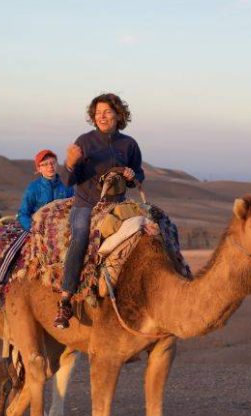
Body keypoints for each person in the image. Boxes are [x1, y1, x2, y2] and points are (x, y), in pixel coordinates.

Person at [54, 92, 145, 328]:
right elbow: (68, 180)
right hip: (86, 204)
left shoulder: (129, 144)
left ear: (118, 115)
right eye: (97, 113)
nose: (101, 116)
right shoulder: (84, 142)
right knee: (80, 237)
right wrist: (70, 163)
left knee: (147, 231)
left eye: (106, 112)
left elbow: (138, 175)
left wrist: (132, 175)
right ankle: (65, 299)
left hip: (117, 206)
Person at [0, 149, 73, 308]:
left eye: (52, 163)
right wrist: (33, 227)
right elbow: (23, 213)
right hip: (35, 227)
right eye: (45, 164)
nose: (50, 167)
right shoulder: (33, 188)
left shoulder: (67, 186)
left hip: (60, 229)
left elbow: (72, 206)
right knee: (14, 249)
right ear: (38, 169)